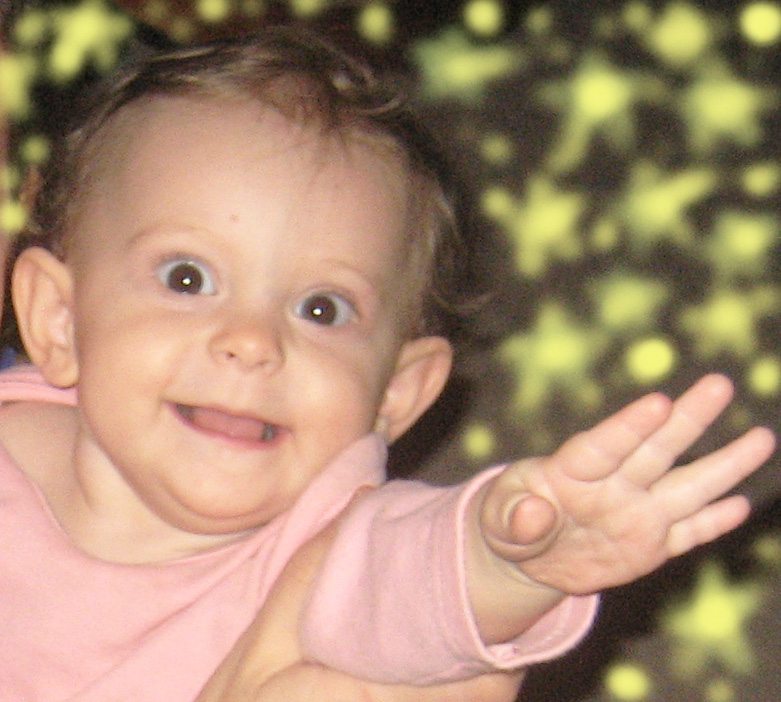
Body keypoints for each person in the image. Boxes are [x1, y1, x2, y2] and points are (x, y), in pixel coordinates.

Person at [0, 27, 774, 701]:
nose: (252, 341)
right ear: (59, 320)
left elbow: (418, 582)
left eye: (321, 310)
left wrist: (514, 558)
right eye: (187, 278)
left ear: (396, 394)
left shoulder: (334, 549)